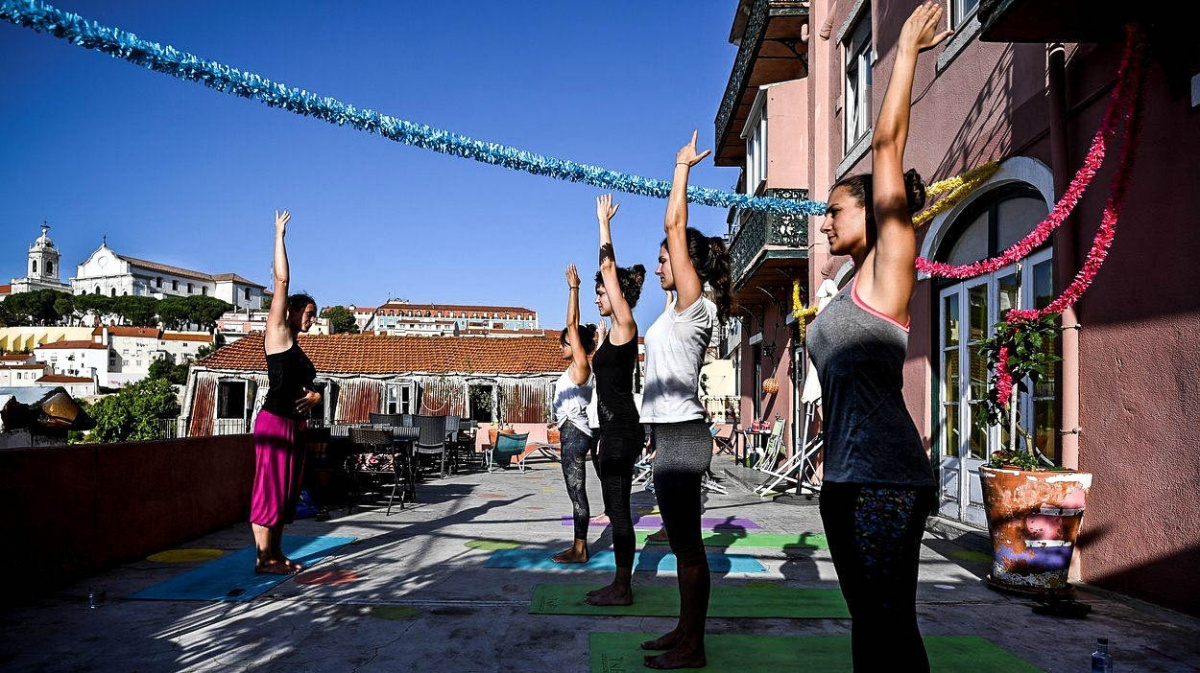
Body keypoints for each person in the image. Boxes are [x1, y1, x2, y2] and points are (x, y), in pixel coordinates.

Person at [807, 4, 952, 670]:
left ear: (873, 209)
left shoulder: (891, 265)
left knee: (890, 625)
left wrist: (907, 54)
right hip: (845, 480)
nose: (825, 224)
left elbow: (887, 143)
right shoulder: (843, 289)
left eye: (834, 210)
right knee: (869, 623)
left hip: (886, 481)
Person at [638, 131, 733, 669]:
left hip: (683, 434)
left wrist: (680, 170)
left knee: (689, 548)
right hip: (669, 434)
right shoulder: (674, 312)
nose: (657, 268)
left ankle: (693, 646)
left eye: (663, 261)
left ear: (686, 263)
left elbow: (675, 225)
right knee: (681, 544)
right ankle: (682, 630)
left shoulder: (697, 307)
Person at [250, 210, 322, 574]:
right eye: (309, 312)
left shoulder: (297, 348)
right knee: (268, 489)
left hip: (294, 424)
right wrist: (279, 235)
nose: (312, 318)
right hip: (274, 422)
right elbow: (281, 280)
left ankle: (277, 554)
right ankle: (263, 559)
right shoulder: (277, 333)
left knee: (285, 491)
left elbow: (310, 387)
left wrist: (315, 398)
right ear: (292, 310)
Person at [584, 194, 646, 606]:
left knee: (619, 506)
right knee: (614, 502)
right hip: (613, 428)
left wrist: (603, 224)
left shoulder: (625, 323)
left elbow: (609, 267)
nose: (597, 299)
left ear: (616, 293)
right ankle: (620, 581)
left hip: (622, 427)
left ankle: (622, 586)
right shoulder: (610, 333)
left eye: (601, 294)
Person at [551, 265, 598, 564]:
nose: (561, 346)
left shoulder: (581, 365)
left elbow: (572, 322)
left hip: (574, 435)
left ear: (575, 343)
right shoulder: (578, 370)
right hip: (574, 431)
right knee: (576, 493)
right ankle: (579, 546)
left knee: (577, 494)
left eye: (565, 341)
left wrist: (574, 288)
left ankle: (579, 549)